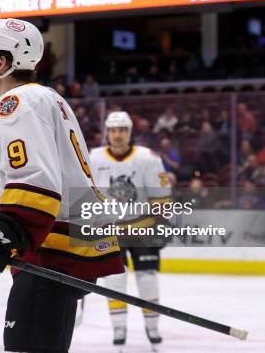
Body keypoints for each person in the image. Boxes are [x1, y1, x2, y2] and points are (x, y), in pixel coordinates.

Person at [0, 18, 124, 352]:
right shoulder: (48, 98)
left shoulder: (15, 102)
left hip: (54, 251)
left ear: (2, 63)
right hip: (69, 245)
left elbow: (36, 178)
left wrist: (8, 230)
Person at [90, 111, 172, 350]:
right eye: (113, 130)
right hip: (110, 230)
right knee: (115, 280)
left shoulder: (147, 158)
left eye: (122, 130)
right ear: (107, 132)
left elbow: (160, 194)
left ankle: (153, 327)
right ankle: (119, 329)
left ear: (129, 132)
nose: (117, 135)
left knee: (148, 280)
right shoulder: (93, 158)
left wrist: (162, 225)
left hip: (143, 228)